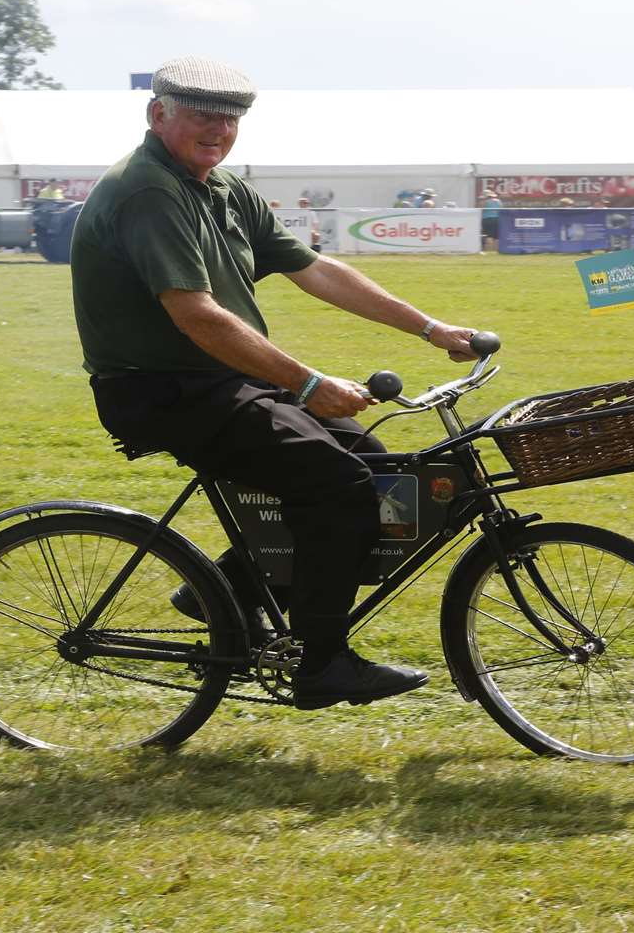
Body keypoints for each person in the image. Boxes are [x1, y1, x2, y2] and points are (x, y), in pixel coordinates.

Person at [70, 56, 480, 709]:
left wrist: (432, 330)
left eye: (230, 119)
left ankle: (224, 591)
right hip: (161, 389)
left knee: (377, 468)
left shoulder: (226, 191)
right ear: (157, 115)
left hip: (220, 382)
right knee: (339, 486)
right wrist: (309, 382)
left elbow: (316, 270)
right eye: (202, 116)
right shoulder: (150, 191)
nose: (218, 130)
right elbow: (196, 317)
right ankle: (320, 664)